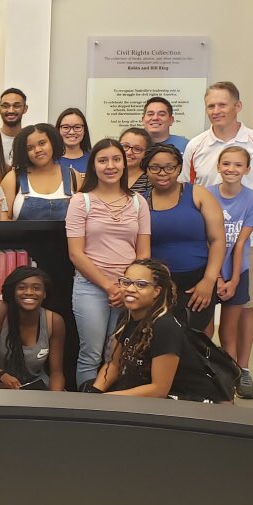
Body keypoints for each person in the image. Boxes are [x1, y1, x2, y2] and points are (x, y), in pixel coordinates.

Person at [180, 81, 253, 400]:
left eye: (222, 105)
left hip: (247, 244)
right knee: (205, 307)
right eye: (211, 105)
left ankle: (243, 369)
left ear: (237, 106)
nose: (216, 111)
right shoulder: (196, 145)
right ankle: (211, 367)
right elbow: (188, 192)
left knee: (242, 306)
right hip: (207, 245)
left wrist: (243, 223)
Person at [67, 138, 151, 388]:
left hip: (130, 290)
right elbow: (76, 254)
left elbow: (143, 253)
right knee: (91, 354)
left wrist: (126, 287)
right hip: (90, 288)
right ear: (94, 166)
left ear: (125, 165)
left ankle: (111, 407)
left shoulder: (138, 202)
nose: (110, 166)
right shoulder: (81, 201)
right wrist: (109, 287)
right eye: (103, 160)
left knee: (116, 354)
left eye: (116, 159)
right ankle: (88, 410)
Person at [92, 259, 217, 401]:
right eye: (126, 282)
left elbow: (159, 389)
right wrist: (94, 393)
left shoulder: (165, 326)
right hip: (148, 393)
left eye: (141, 285)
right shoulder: (125, 316)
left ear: (156, 291)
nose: (130, 289)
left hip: (185, 401)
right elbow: (114, 365)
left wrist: (106, 399)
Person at [144, 144, 225, 335]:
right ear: (146, 170)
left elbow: (218, 240)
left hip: (197, 282)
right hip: (158, 285)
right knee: (161, 339)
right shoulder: (141, 201)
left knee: (194, 339)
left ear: (179, 168)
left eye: (169, 167)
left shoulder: (199, 194)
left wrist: (209, 280)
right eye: (155, 167)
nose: (162, 173)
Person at [208, 146, 253, 399]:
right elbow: (209, 239)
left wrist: (232, 279)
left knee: (228, 332)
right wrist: (217, 277)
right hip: (209, 270)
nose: (231, 169)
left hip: (237, 271)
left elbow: (241, 243)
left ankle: (231, 379)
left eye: (238, 165)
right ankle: (205, 374)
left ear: (247, 170)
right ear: (218, 167)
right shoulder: (206, 195)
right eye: (227, 164)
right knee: (205, 329)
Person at [0, 267, 65, 391]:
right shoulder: (0, 310)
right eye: (22, 287)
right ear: (13, 291)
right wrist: (2, 375)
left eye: (36, 288)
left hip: (38, 387)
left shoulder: (54, 321)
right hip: (1, 384)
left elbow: (56, 372)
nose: (29, 292)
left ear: (44, 293)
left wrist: (55, 400)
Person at [1, 124, 75, 221]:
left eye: (42, 143)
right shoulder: (13, 178)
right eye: (30, 148)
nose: (38, 150)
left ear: (53, 142)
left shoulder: (73, 176)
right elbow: (3, 220)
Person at [0, 88, 28, 166]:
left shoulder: (30, 138)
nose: (11, 110)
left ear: (25, 109)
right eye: (5, 106)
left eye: (16, 106)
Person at [55, 107, 91, 175]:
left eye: (77, 127)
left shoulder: (93, 159)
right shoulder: (50, 160)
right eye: (66, 127)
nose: (71, 132)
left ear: (84, 130)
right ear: (58, 130)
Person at [120, 127, 153, 197]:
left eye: (137, 149)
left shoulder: (149, 180)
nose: (129, 152)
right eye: (125, 146)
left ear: (146, 153)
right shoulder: (107, 175)